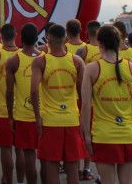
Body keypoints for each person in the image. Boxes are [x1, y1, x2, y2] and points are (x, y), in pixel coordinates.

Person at [80, 25, 132, 184]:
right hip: (128, 133)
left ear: (100, 44)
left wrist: (86, 134)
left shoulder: (91, 69)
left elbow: (86, 105)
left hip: (103, 135)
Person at [31, 23, 88, 184]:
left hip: (50, 120)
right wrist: (82, 117)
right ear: (66, 39)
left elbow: (34, 91)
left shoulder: (40, 62)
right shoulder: (76, 61)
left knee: (52, 167)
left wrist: (37, 118)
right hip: (71, 118)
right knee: (73, 168)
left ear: (47, 39)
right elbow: (83, 94)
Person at [4, 23, 41, 184]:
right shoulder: (44, 58)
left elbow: (9, 92)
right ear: (37, 38)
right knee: (45, 158)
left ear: (20, 37)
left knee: (28, 155)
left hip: (23, 116)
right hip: (44, 115)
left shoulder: (13, 61)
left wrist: (10, 116)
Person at [0, 23, 21, 184]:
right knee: (20, 149)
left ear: (1, 36)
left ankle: (7, 180)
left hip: (2, 109)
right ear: (15, 35)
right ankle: (19, 180)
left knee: (6, 148)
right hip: (20, 109)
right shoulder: (22, 55)